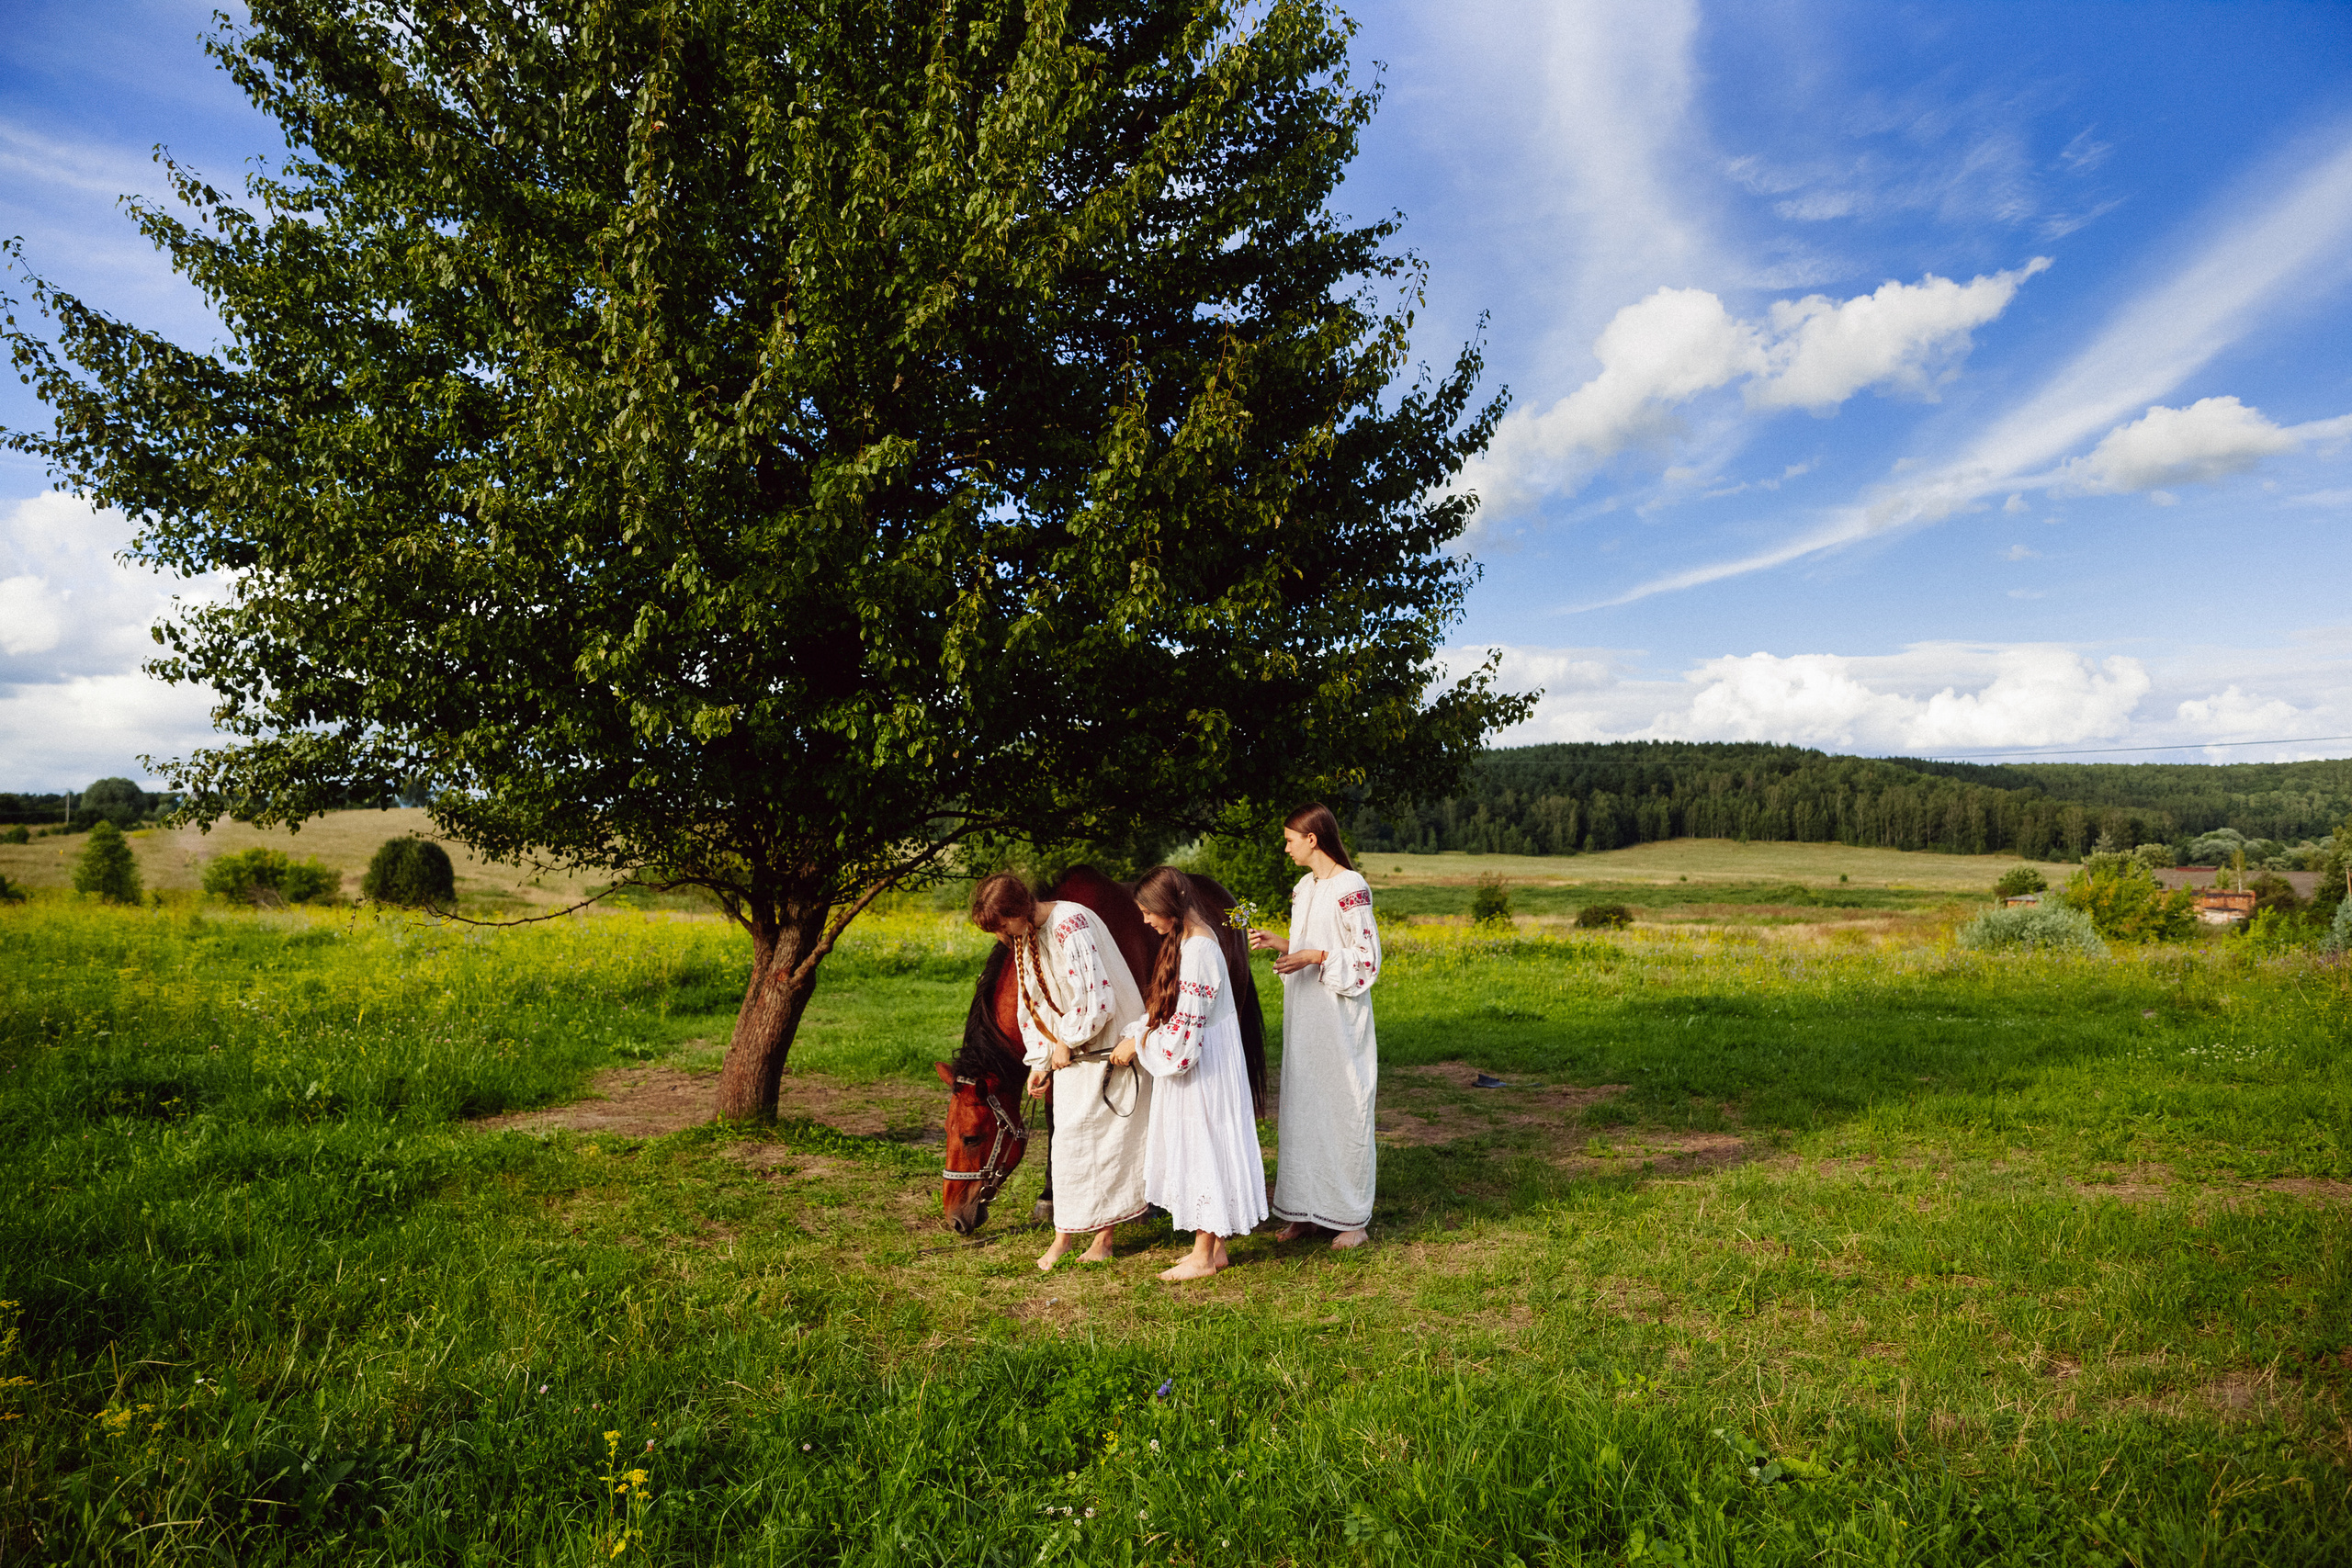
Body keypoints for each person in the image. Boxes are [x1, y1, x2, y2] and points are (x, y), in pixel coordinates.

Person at [969, 872, 1153, 1269]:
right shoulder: (1024, 938)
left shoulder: (1072, 925)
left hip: (1107, 1048)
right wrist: (1039, 1060)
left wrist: (1065, 1041)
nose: (1001, 935)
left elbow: (1097, 999)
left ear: (1019, 910)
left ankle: (1102, 1238)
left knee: (1109, 1142)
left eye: (1002, 925)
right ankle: (1065, 1235)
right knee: (1068, 1142)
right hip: (1070, 1050)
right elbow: (1030, 1002)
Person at [1121, 865, 1270, 1281]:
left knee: (1204, 1143)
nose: (1146, 920)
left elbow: (1185, 1037)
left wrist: (1139, 1043)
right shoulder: (1188, 940)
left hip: (1206, 1066)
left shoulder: (1201, 950)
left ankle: (1203, 1255)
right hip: (1203, 1055)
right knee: (1207, 1142)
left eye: (1149, 912)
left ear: (1171, 905)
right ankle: (1215, 1249)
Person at [1247, 802, 1380, 1248]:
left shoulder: (1351, 886)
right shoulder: (1304, 887)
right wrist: (1283, 943)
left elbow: (1366, 961)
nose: (1285, 848)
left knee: (1342, 1110)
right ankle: (1304, 1212)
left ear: (1312, 839)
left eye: (1289, 839)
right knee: (1303, 1112)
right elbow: (1312, 943)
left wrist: (1312, 956)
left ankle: (1349, 1220)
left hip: (1338, 1022)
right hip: (1305, 1018)